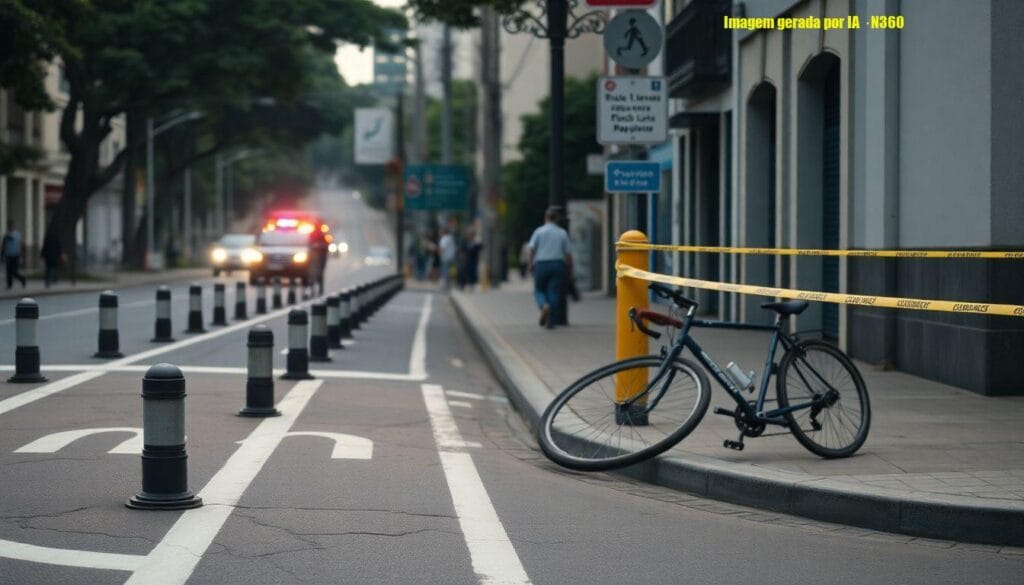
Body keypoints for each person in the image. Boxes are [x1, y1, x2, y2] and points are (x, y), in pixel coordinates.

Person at [527, 208, 573, 329]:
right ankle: (550, 320)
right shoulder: (562, 232)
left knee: (539, 290)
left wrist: (530, 264)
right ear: (557, 219)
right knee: (555, 292)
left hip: (541, 264)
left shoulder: (538, 232)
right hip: (558, 264)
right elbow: (568, 253)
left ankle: (544, 305)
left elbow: (531, 249)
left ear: (545, 218)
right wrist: (569, 268)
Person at [2, 220, 27, 289]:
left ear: (13, 226)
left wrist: (22, 254)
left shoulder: (17, 234)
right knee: (8, 271)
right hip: (8, 255)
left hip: (16, 255)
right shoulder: (6, 235)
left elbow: (22, 244)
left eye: (11, 226)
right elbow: (4, 246)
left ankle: (22, 279)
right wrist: (2, 255)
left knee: (14, 271)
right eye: (9, 226)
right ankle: (9, 285)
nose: (10, 227)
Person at [438, 226, 457, 291]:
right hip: (452, 257)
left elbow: (442, 248)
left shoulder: (444, 238)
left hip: (445, 258)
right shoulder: (451, 238)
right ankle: (452, 284)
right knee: (451, 271)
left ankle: (446, 285)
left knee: (445, 271)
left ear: (443, 232)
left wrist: (440, 255)